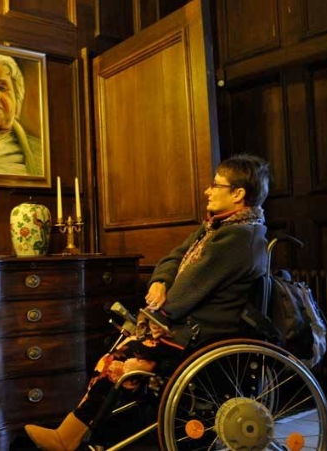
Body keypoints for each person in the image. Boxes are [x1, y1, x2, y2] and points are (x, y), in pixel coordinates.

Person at [24, 154, 271, 451]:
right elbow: (173, 257)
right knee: (117, 354)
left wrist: (157, 315)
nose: (208, 190)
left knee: (118, 363)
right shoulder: (217, 229)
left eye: (215, 185)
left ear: (238, 193)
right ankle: (76, 435)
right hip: (191, 326)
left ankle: (68, 437)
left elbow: (187, 290)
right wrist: (159, 281)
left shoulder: (237, 238)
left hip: (202, 334)